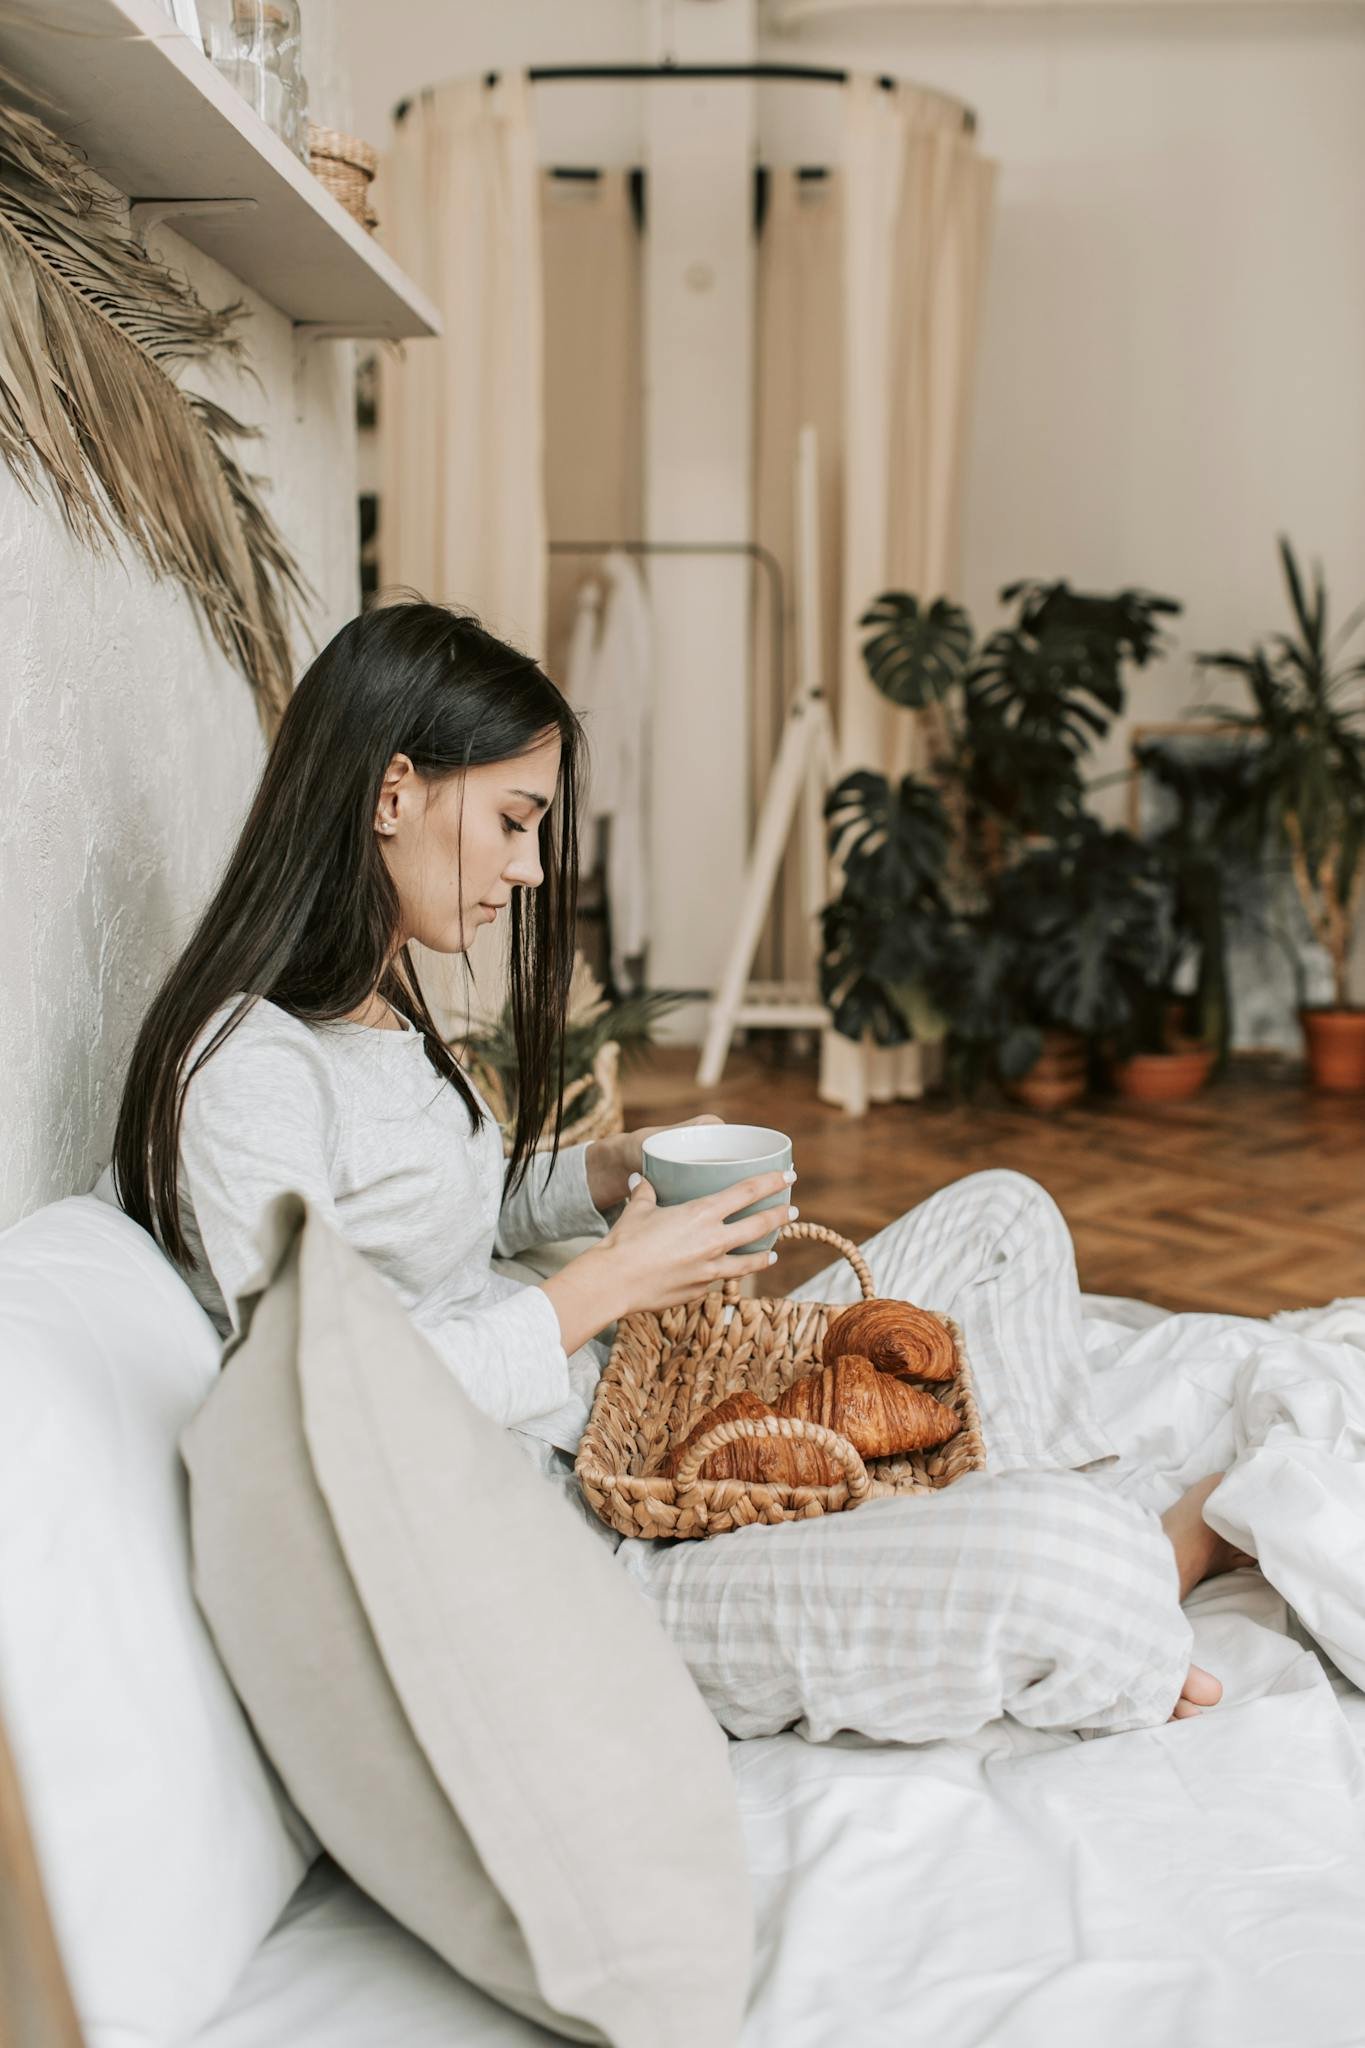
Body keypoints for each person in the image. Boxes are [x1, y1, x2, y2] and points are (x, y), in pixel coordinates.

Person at [111, 601, 1236, 1746]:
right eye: (512, 820)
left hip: (651, 1431)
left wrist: (603, 1172)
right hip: (590, 1556)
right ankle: (1112, 1551)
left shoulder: (371, 1004)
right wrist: (606, 1283)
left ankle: (1021, 1527)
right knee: (1073, 1562)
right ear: (392, 790)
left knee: (1007, 1214)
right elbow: (317, 1398)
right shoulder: (249, 1072)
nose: (531, 867)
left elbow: (435, 1216)